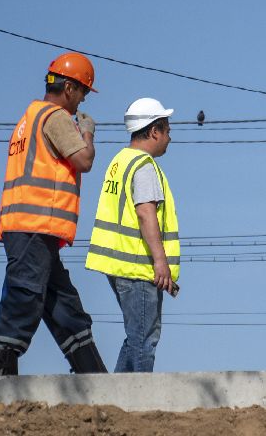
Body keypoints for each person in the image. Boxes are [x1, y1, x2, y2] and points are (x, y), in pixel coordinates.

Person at [0, 52, 107, 376]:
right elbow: (84, 160)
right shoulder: (55, 117)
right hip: (34, 225)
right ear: (69, 88)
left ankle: (93, 374)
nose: (82, 102)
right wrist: (88, 133)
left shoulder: (29, 119)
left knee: (62, 303)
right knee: (24, 295)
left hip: (32, 227)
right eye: (82, 92)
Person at [86, 97, 180, 372]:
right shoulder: (144, 166)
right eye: (167, 130)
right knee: (144, 341)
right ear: (154, 131)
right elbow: (145, 213)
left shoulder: (119, 161)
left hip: (119, 266)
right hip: (138, 268)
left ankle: (117, 398)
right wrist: (160, 261)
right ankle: (139, 401)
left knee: (135, 337)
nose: (170, 137)